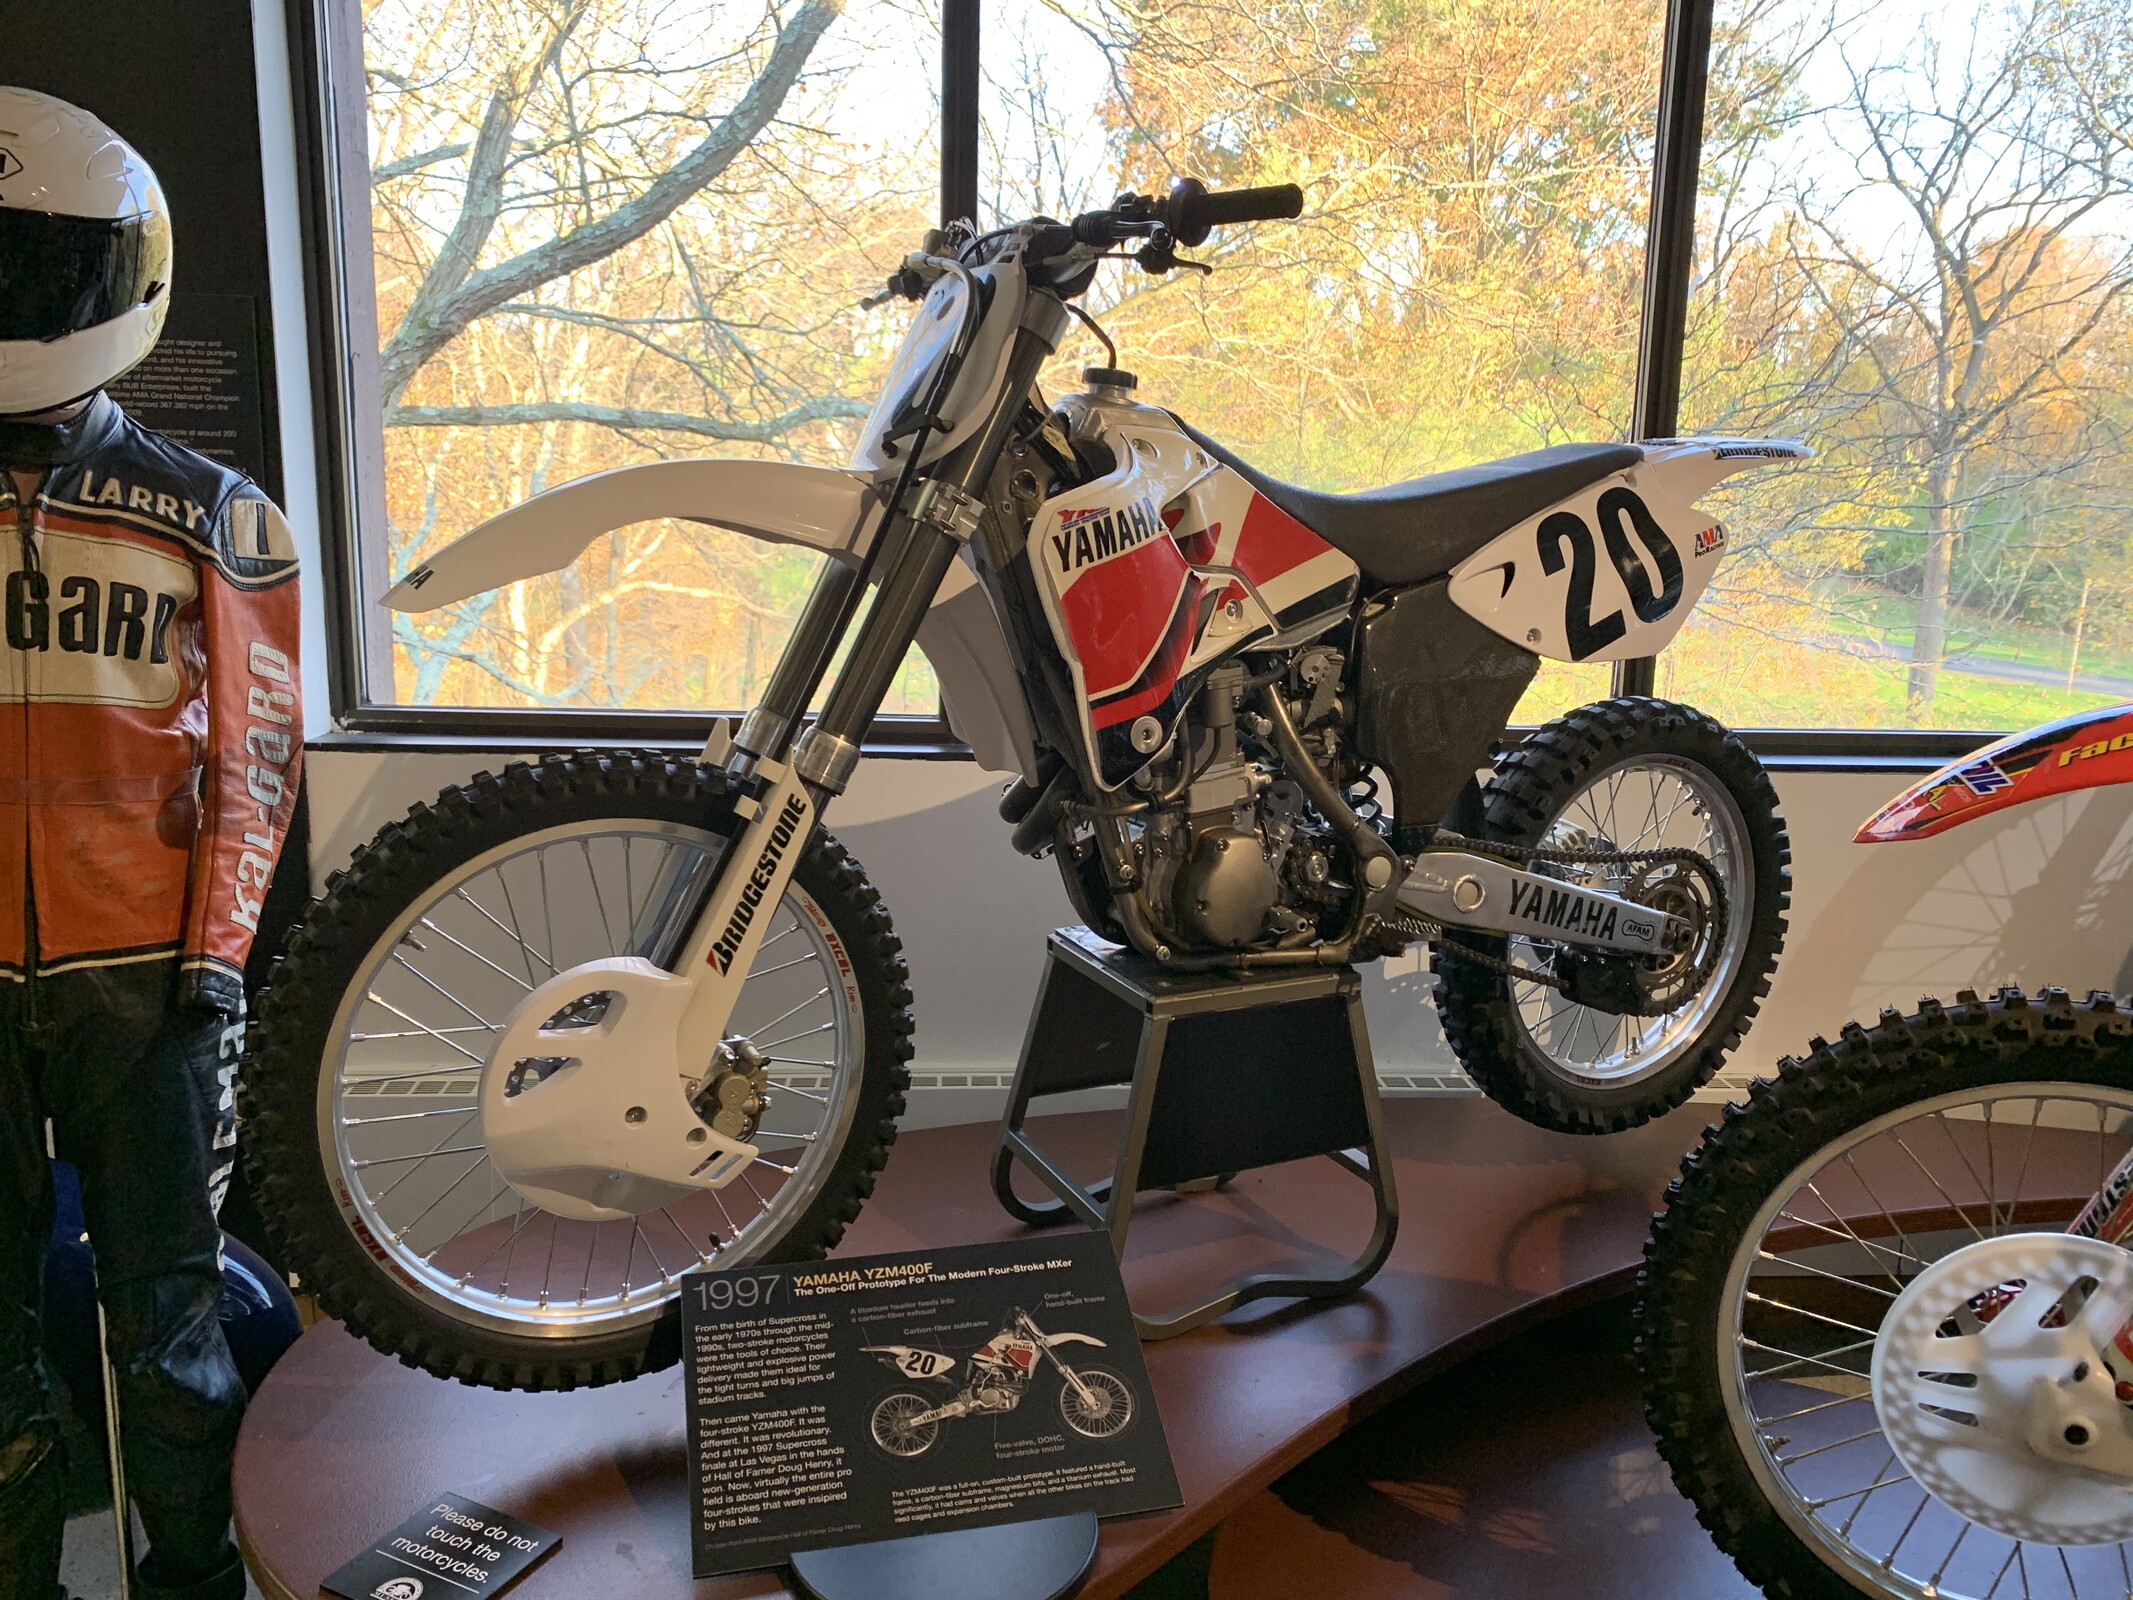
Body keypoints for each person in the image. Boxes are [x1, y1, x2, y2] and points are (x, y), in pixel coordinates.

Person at [0, 87, 302, 1600]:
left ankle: (196, 1583)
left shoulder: (208, 512)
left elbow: (257, 756)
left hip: (145, 980)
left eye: (39, 266)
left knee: (174, 1336)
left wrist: (218, 959)